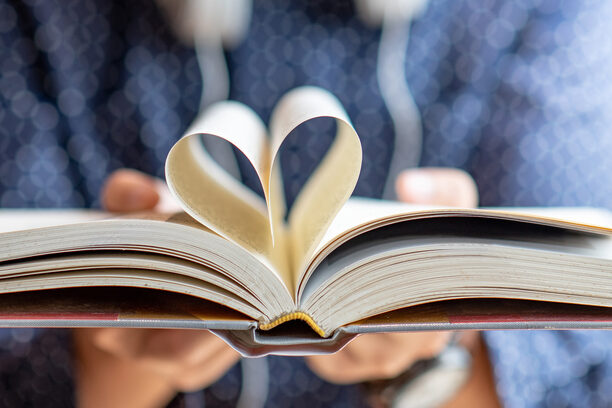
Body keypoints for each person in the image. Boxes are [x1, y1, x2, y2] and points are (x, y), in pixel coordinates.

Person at [1, 0, 612, 407]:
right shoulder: (40, 17)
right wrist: (122, 345)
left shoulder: (542, 11)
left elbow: (585, 366)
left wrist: (441, 352)